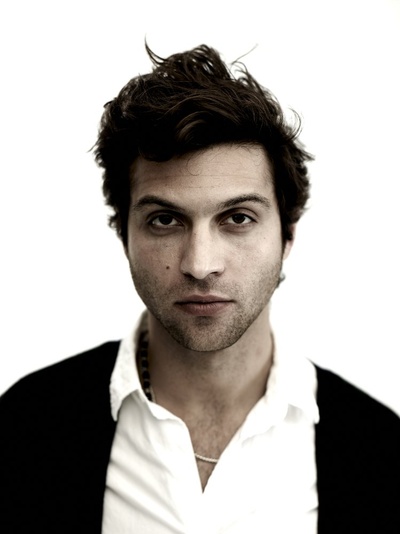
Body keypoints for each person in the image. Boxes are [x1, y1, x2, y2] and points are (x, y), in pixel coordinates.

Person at [0, 44, 399, 534]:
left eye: (238, 218)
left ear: (287, 235)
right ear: (124, 234)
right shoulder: (26, 426)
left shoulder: (382, 450)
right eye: (165, 220)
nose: (200, 265)